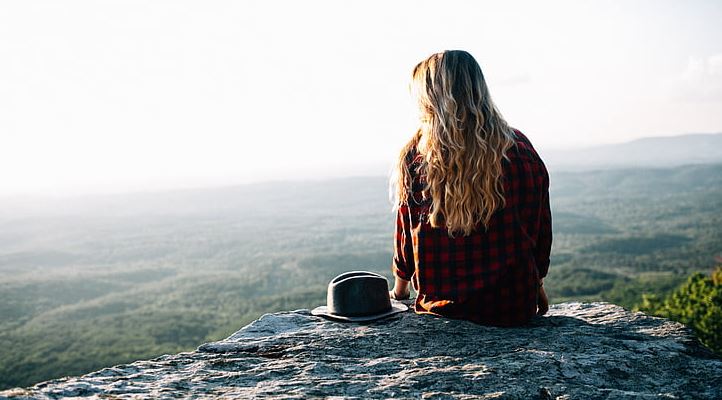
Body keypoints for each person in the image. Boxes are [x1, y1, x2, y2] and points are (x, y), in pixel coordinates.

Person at [389, 50, 552, 327]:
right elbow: (538, 232)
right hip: (512, 307)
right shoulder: (519, 149)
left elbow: (406, 242)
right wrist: (536, 287)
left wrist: (399, 293)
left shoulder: (416, 156)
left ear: (428, 100)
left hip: (442, 312)